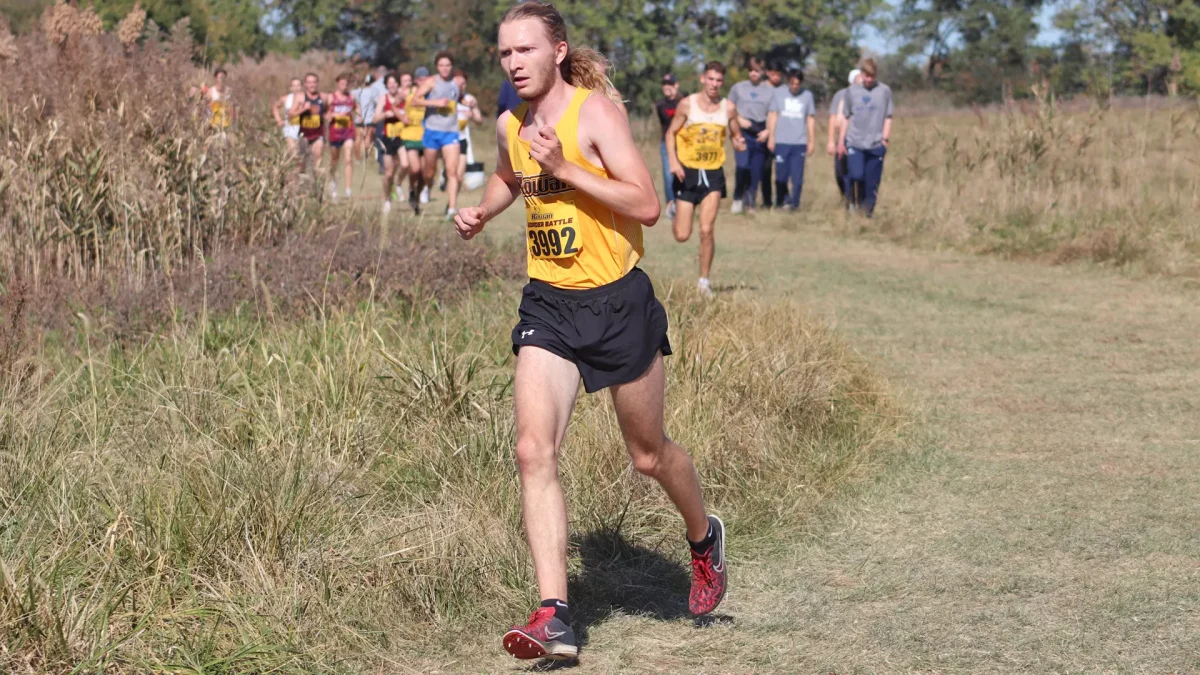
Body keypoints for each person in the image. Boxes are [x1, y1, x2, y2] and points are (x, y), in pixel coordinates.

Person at [453, 2, 727, 662]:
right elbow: (509, 176)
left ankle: (703, 538)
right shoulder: (511, 123)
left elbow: (648, 205)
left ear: (556, 51)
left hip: (618, 304)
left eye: (524, 50)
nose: (513, 62)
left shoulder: (594, 114)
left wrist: (570, 167)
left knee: (648, 454)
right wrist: (484, 212)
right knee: (531, 448)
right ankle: (555, 614)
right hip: (549, 305)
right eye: (504, 54)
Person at [666, 61, 747, 296]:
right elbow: (671, 132)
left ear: (723, 83)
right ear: (703, 79)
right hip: (687, 172)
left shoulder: (728, 108)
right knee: (682, 235)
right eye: (711, 79)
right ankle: (674, 209)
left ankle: (704, 281)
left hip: (713, 173)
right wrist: (673, 161)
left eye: (719, 80)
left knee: (706, 229)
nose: (714, 84)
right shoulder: (687, 104)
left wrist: (739, 143)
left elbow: (736, 134)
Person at [838, 58, 893, 217]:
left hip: (876, 143)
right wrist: (841, 141)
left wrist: (884, 139)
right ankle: (854, 202)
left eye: (872, 76)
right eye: (866, 76)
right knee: (856, 175)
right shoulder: (851, 91)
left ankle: (867, 213)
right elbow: (846, 117)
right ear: (861, 74)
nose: (869, 79)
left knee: (872, 182)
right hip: (855, 142)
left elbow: (888, 116)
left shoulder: (884, 91)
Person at [411, 52, 463, 220]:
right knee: (429, 173)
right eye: (442, 65)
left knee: (452, 172)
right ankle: (417, 195)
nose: (445, 68)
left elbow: (458, 100)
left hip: (451, 132)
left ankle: (451, 209)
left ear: (452, 66)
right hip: (432, 131)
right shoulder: (431, 82)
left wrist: (468, 102)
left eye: (448, 65)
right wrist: (435, 103)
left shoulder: (456, 83)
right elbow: (414, 100)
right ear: (437, 67)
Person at [728, 57, 773, 214]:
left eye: (757, 71)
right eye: (751, 71)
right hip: (742, 131)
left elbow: (774, 114)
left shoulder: (770, 90)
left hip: (760, 131)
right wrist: (738, 119)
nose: (754, 74)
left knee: (756, 170)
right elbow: (729, 108)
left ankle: (750, 202)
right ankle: (738, 197)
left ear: (763, 72)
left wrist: (768, 131)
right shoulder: (738, 88)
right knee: (742, 166)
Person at [766, 69, 815, 212]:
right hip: (781, 141)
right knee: (781, 176)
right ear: (788, 82)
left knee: (797, 179)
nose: (794, 86)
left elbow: (810, 119)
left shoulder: (807, 96)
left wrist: (811, 140)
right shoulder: (779, 94)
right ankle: (781, 201)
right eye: (792, 83)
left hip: (799, 142)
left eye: (797, 84)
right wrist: (771, 137)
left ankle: (795, 205)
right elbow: (773, 115)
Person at [374, 73, 411, 214]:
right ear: (386, 85)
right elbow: (375, 118)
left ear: (398, 84)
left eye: (395, 83)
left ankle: (399, 183)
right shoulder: (383, 99)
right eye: (390, 83)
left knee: (405, 164)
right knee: (388, 173)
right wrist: (385, 114)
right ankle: (387, 199)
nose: (393, 85)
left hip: (401, 137)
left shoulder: (404, 98)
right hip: (387, 138)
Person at [655, 73, 685, 221]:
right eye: (665, 84)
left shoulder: (684, 101)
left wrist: (678, 97)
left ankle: (683, 204)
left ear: (676, 85)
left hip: (683, 143)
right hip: (666, 143)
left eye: (670, 84)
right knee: (668, 174)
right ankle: (670, 205)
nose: (667, 87)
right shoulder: (661, 105)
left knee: (683, 173)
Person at [828, 69, 861, 205]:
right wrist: (831, 141)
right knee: (840, 173)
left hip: (859, 140)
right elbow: (833, 117)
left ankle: (854, 202)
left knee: (855, 174)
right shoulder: (840, 95)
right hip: (843, 139)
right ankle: (846, 197)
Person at [327, 73, 358, 200]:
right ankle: (333, 183)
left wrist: (357, 117)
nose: (344, 86)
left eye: (346, 84)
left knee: (348, 159)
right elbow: (326, 115)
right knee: (335, 160)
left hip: (348, 132)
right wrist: (333, 115)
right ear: (337, 83)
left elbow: (356, 109)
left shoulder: (351, 97)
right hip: (335, 132)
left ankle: (348, 189)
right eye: (342, 83)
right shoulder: (331, 97)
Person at [401, 69, 428, 212]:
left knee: (425, 173)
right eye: (420, 79)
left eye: (426, 79)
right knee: (415, 169)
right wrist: (401, 117)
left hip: (426, 136)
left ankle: (416, 196)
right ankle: (411, 187)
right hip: (410, 134)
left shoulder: (430, 94)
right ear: (416, 80)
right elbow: (394, 105)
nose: (423, 82)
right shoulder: (407, 92)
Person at [762, 60, 786, 208]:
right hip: (763, 133)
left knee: (782, 170)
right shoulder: (762, 88)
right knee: (765, 170)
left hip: (782, 134)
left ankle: (782, 199)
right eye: (773, 74)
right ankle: (766, 201)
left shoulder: (784, 89)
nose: (776, 77)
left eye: (779, 74)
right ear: (767, 73)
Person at [453, 70, 483, 187]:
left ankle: (451, 204)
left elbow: (479, 120)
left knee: (458, 175)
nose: (461, 86)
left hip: (462, 138)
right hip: (446, 139)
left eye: (463, 83)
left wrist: (473, 113)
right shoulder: (447, 97)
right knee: (449, 173)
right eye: (458, 83)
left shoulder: (470, 99)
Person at [360, 66, 389, 173]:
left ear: (377, 74)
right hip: (391, 115)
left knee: (378, 140)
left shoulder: (373, 86)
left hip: (378, 116)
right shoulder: (393, 82)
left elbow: (370, 103)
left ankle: (382, 164)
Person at [298, 73, 328, 168]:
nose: (312, 85)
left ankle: (316, 182)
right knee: (302, 163)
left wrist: (328, 115)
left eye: (314, 82)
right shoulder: (300, 97)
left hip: (318, 134)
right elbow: (290, 114)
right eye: (309, 82)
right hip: (304, 134)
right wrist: (303, 109)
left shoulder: (323, 97)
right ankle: (301, 181)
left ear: (317, 83)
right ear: (305, 84)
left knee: (318, 158)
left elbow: (327, 110)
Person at [272, 77, 305, 154]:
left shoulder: (306, 98)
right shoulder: (285, 98)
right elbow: (275, 107)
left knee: (302, 154)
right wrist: (278, 119)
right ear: (290, 88)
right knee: (294, 153)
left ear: (301, 87)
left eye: (298, 85)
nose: (296, 88)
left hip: (303, 128)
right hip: (290, 128)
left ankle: (299, 166)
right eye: (294, 86)